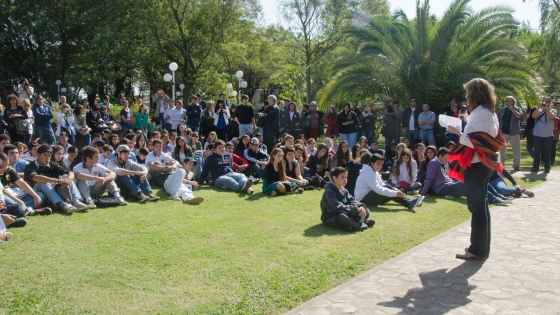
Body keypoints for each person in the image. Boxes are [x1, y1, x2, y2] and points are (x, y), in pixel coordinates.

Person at [446, 78, 505, 261]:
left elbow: (475, 141)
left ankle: (477, 250)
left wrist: (458, 134)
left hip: (477, 163)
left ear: (474, 94)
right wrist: (465, 120)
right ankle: (481, 248)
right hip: (485, 164)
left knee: (477, 208)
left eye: (467, 93)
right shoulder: (488, 111)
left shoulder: (480, 113)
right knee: (482, 207)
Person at [23, 144, 91, 213]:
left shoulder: (52, 164)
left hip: (50, 191)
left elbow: (70, 172)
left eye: (49, 155)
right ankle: (62, 204)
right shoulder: (30, 166)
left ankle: (76, 201)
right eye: (45, 155)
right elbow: (36, 178)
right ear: (38, 154)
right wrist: (58, 181)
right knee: (43, 182)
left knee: (66, 177)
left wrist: (68, 179)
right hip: (35, 193)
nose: (48, 158)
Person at [354, 152, 420, 210]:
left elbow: (382, 184)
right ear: (372, 163)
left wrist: (396, 191)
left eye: (381, 164)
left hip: (370, 196)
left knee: (388, 186)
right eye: (378, 164)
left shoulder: (374, 172)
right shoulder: (368, 173)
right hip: (363, 200)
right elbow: (378, 189)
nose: (380, 166)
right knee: (389, 189)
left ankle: (409, 201)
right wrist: (395, 193)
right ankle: (409, 203)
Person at [320, 167, 375, 232]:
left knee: (366, 211)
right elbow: (337, 207)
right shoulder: (329, 191)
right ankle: (358, 225)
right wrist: (354, 209)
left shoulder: (344, 190)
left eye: (346, 177)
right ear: (334, 178)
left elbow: (352, 200)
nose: (345, 179)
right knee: (342, 217)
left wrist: (361, 206)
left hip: (345, 213)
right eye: (342, 177)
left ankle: (355, 224)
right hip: (332, 217)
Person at [530, 97, 556, 173]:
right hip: (537, 134)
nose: (545, 103)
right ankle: (535, 166)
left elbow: (552, 117)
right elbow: (534, 116)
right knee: (536, 151)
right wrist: (538, 108)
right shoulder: (538, 110)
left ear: (549, 102)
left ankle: (547, 167)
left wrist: (546, 109)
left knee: (547, 151)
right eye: (544, 101)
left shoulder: (553, 110)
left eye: (547, 101)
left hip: (547, 135)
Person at [497, 96, 522, 171]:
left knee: (516, 150)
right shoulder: (502, 110)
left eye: (510, 101)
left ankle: (516, 165)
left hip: (514, 133)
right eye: (507, 101)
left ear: (513, 102)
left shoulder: (517, 109)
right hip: (503, 133)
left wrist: (513, 110)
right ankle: (502, 165)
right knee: (501, 150)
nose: (508, 103)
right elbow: (498, 120)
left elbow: (519, 117)